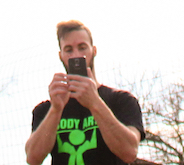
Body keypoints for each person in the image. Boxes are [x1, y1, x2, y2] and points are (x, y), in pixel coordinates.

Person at [26, 20, 142, 165]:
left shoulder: (121, 100)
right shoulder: (46, 109)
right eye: (68, 50)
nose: (76, 55)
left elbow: (130, 151)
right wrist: (56, 110)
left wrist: (95, 102)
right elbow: (32, 158)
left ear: (94, 50)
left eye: (82, 47)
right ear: (60, 55)